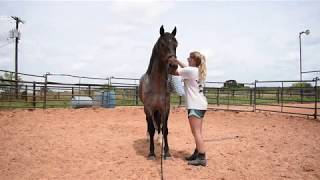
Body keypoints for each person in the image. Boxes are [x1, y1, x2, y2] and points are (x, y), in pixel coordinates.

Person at [169, 51, 208, 166]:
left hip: (195, 105)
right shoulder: (196, 70)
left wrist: (170, 62)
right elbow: (185, 68)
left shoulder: (191, 71)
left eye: (189, 58)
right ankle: (197, 152)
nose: (187, 59)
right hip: (200, 104)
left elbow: (175, 72)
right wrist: (178, 61)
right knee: (197, 131)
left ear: (194, 60)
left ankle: (201, 157)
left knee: (196, 132)